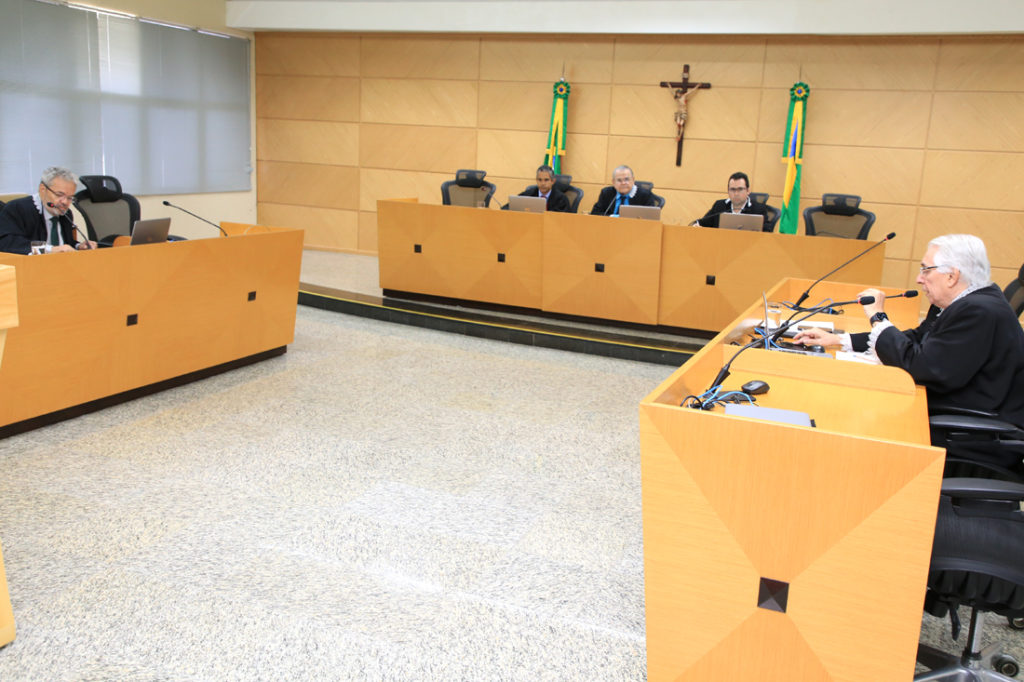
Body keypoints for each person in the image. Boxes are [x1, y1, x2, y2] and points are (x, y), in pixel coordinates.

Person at [793, 234, 1024, 431]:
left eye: (925, 270)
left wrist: (878, 317)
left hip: (971, 430)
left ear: (952, 276)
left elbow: (920, 367)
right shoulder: (965, 302)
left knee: (855, 413)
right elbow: (917, 338)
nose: (918, 279)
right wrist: (840, 339)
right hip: (955, 408)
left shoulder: (977, 312)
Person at [0, 166, 95, 254]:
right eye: (59, 195)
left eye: (70, 198)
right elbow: (9, 244)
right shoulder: (18, 209)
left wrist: (78, 246)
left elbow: (64, 244)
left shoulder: (66, 214)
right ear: (42, 189)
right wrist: (50, 250)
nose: (65, 202)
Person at [692, 171, 770, 230]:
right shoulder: (719, 206)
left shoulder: (759, 209)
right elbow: (701, 222)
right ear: (728, 191)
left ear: (748, 191)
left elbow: (767, 233)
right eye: (732, 189)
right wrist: (696, 225)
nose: (736, 193)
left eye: (740, 189)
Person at [590, 165, 657, 216]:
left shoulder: (645, 195)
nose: (623, 183)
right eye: (619, 180)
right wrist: (611, 217)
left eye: (626, 179)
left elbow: (651, 218)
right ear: (613, 182)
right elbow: (595, 213)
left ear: (633, 180)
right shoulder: (606, 193)